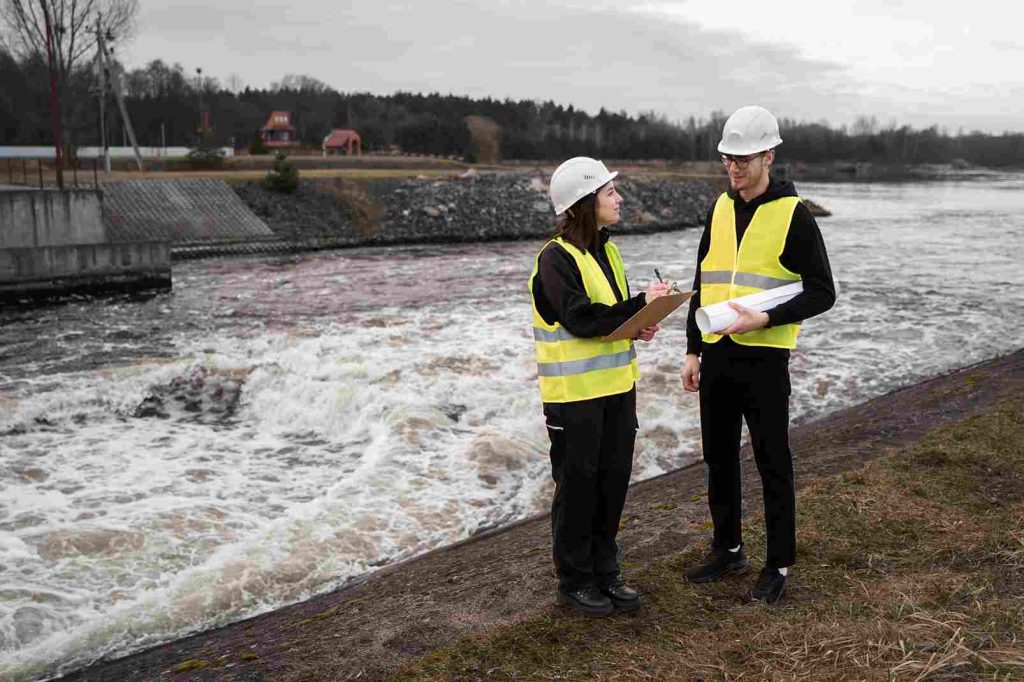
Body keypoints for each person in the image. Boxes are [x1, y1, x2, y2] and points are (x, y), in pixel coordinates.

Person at [681, 106, 836, 603]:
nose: (735, 168)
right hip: (717, 356)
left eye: (744, 158)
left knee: (773, 462)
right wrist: (692, 348)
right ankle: (728, 549)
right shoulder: (719, 208)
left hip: (765, 361)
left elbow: (822, 291)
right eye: (729, 158)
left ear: (769, 156)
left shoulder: (794, 215)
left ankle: (779, 565)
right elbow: (703, 280)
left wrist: (767, 318)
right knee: (718, 459)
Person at [528, 157, 669, 617]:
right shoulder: (554, 259)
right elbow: (580, 318)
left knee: (612, 483)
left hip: (616, 389)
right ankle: (576, 581)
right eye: (610, 192)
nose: (619, 198)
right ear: (586, 203)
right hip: (573, 399)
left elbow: (612, 318)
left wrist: (640, 322)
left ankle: (606, 573)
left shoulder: (609, 252)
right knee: (578, 486)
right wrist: (636, 307)